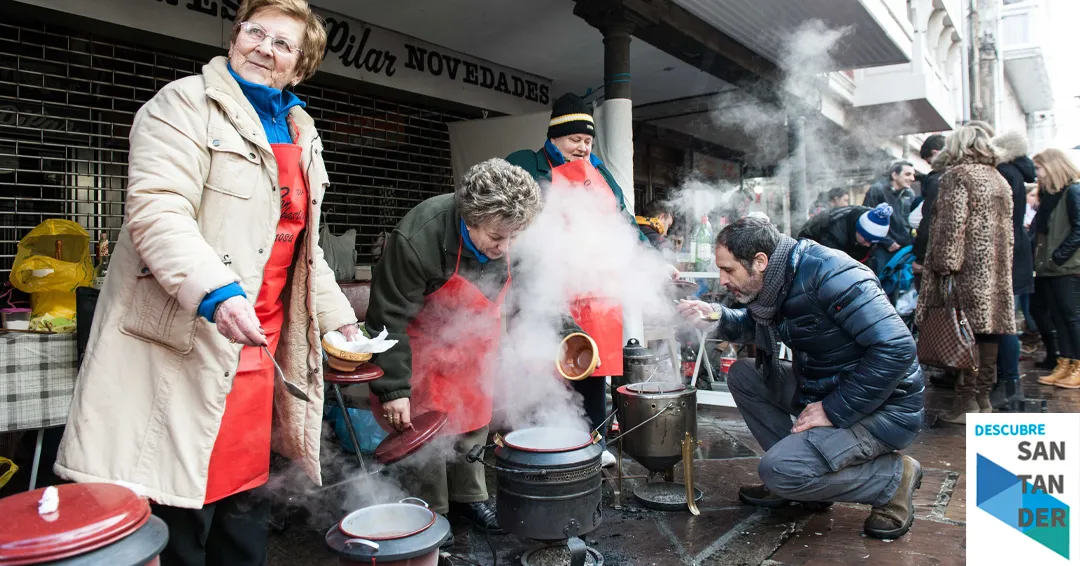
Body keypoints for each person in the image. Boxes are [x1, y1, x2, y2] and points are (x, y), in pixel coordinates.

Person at [53, 1, 360, 563]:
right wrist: (215, 291)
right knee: (179, 516)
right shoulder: (182, 105)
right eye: (256, 32)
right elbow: (157, 211)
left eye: (283, 44)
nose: (265, 48)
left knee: (244, 520)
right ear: (236, 35)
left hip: (259, 357)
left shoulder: (301, 130)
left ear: (300, 66)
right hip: (186, 340)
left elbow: (303, 248)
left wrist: (342, 322)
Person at [677, 217, 924, 539]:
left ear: (760, 261)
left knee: (778, 471)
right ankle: (807, 482)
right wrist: (716, 317)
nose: (722, 280)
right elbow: (759, 323)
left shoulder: (834, 275)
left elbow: (896, 348)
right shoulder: (779, 278)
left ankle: (892, 478)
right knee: (744, 374)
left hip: (885, 406)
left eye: (729, 270)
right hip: (826, 386)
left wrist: (834, 408)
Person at [365, 158, 543, 531]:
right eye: (497, 238)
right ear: (470, 217)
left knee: (473, 422)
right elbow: (387, 318)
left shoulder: (512, 237)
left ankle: (469, 499)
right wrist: (393, 387)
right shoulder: (419, 236)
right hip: (421, 347)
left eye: (513, 237)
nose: (505, 246)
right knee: (425, 429)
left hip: (476, 345)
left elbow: (533, 294)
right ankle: (429, 514)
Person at [507, 93, 644, 468]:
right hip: (542, 287)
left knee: (591, 366)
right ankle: (539, 446)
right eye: (575, 140)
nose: (583, 147)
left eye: (588, 141)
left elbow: (625, 224)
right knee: (542, 365)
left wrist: (652, 259)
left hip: (593, 287)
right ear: (554, 136)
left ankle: (592, 443)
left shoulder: (601, 174)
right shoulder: (526, 164)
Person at [917, 126, 1014, 422]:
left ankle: (966, 403)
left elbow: (952, 225)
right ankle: (982, 399)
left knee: (963, 333)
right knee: (986, 333)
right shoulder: (999, 178)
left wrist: (944, 266)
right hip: (994, 271)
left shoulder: (958, 176)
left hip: (965, 271)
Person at [991, 131, 1037, 408]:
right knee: (1009, 319)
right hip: (1017, 251)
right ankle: (1009, 381)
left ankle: (1008, 382)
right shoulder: (1018, 172)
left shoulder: (1006, 172)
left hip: (1009, 253)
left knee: (1005, 321)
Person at [1029, 149, 1080, 388]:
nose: (1037, 173)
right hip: (1050, 267)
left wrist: (1059, 257)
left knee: (1071, 317)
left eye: (1039, 168)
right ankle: (1066, 362)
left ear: (1052, 166)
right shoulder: (1052, 195)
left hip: (1067, 267)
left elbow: (1078, 229)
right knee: (1059, 317)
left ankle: (1078, 365)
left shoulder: (1073, 191)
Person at [863, 160, 917, 273]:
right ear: (894, 175)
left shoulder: (910, 193)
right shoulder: (878, 190)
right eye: (908, 174)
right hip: (882, 249)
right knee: (880, 284)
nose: (912, 178)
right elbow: (866, 218)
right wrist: (887, 242)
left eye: (913, 175)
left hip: (905, 249)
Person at [796, 203, 891, 262]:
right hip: (811, 250)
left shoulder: (871, 216)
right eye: (866, 239)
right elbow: (831, 265)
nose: (868, 245)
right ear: (857, 229)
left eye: (872, 242)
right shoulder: (834, 232)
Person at [636, 198, 677, 263]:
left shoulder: (630, 231)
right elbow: (671, 270)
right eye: (668, 225)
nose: (666, 233)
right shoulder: (662, 243)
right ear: (661, 217)